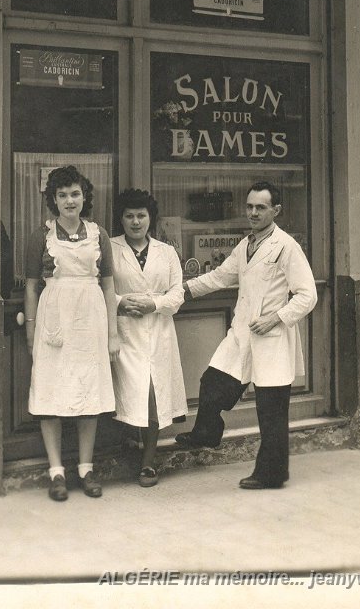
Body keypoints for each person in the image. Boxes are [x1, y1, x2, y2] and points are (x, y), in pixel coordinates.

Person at [175, 180, 317, 490]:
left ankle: (272, 474)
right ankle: (207, 434)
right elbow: (219, 276)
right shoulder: (246, 244)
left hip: (271, 339)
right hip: (241, 335)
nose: (252, 212)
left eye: (260, 207)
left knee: (272, 412)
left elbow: (308, 296)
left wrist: (276, 319)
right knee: (212, 383)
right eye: (250, 206)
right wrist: (185, 290)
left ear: (275, 210)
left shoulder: (286, 246)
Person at [24, 166, 120, 501]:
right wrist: (31, 331)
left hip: (90, 321)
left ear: (84, 197)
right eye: (62, 195)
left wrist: (112, 334)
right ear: (53, 199)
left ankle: (85, 468)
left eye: (75, 194)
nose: (69, 201)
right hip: (54, 320)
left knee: (88, 394)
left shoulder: (99, 235)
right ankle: (56, 471)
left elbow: (109, 287)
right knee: (51, 394)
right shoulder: (42, 236)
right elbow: (32, 286)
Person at [109, 189, 188, 487]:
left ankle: (148, 461)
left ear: (150, 218)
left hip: (158, 334)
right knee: (128, 397)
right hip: (125, 333)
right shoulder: (110, 248)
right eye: (129, 215)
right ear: (121, 219)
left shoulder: (166, 252)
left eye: (141, 215)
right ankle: (129, 449)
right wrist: (120, 302)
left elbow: (177, 294)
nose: (135, 221)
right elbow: (100, 286)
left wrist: (154, 304)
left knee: (154, 396)